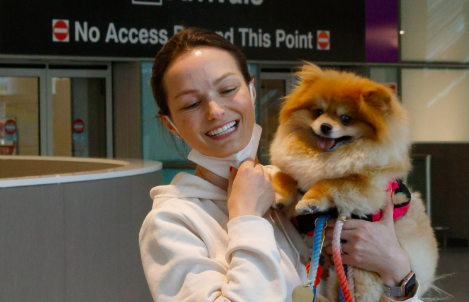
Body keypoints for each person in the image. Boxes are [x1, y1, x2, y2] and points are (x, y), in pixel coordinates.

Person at [139, 27, 422, 302]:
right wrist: (246, 219)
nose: (216, 111)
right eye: (191, 104)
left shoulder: (295, 187)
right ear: (171, 125)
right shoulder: (172, 222)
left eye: (227, 89)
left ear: (251, 90)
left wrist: (397, 271)